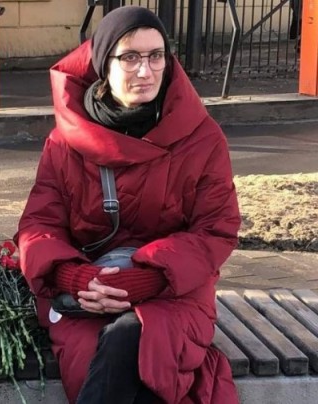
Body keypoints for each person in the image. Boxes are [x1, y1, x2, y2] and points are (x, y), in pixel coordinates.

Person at [15, 6, 241, 404]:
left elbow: (216, 229)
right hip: (87, 293)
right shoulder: (64, 141)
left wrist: (150, 279)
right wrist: (73, 278)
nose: (145, 70)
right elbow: (38, 225)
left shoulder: (202, 138)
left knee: (137, 340)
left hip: (174, 289)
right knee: (112, 358)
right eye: (130, 57)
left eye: (156, 56)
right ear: (104, 64)